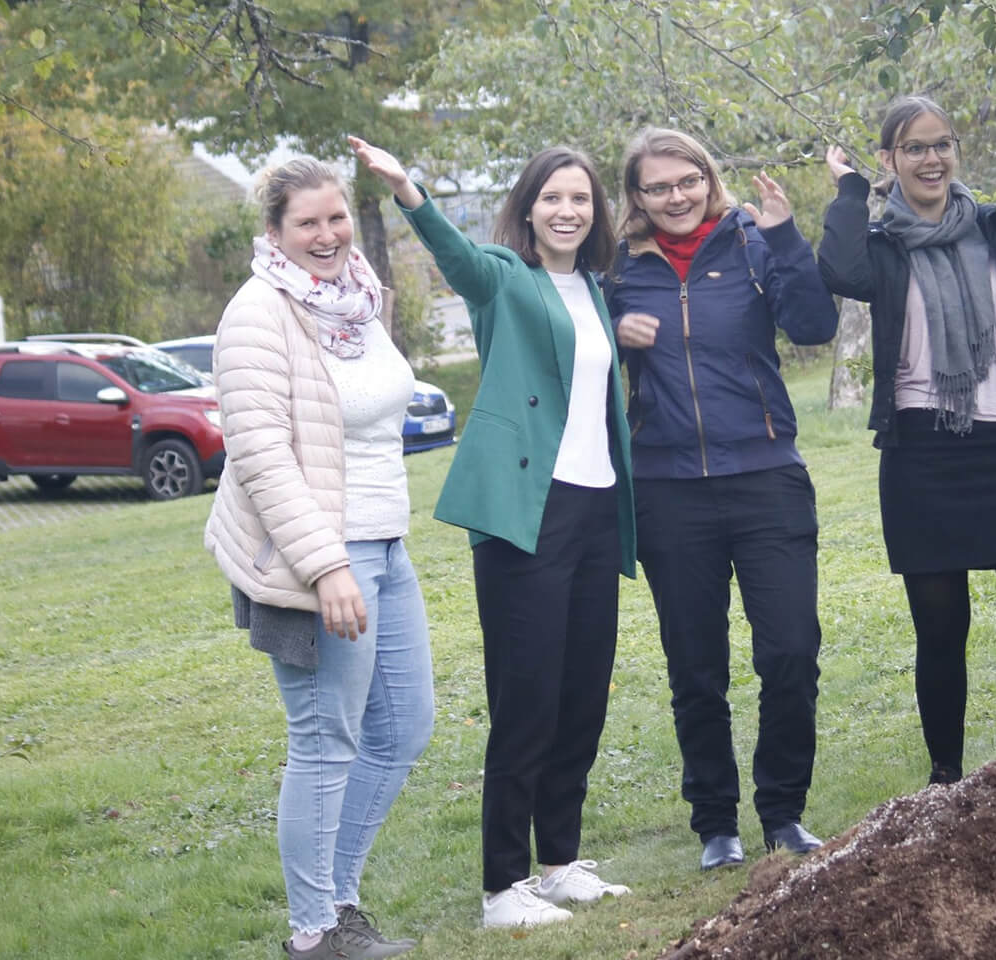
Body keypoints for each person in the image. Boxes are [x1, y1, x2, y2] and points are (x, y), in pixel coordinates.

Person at [348, 135, 638, 929]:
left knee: (582, 696)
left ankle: (559, 863)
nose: (567, 211)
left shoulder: (597, 291)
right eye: (552, 198)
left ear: (595, 211)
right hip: (527, 515)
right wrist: (410, 189)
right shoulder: (506, 280)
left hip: (595, 509)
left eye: (580, 198)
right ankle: (502, 886)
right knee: (528, 699)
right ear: (529, 208)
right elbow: (459, 261)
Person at [816, 95, 996, 786]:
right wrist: (851, 191)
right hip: (922, 454)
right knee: (941, 633)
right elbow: (840, 272)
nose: (932, 158)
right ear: (891, 160)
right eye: (914, 148)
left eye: (942, 143)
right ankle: (946, 777)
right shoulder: (883, 247)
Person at [204, 157, 432, 960]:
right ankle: (315, 932)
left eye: (336, 217)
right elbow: (263, 455)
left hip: (384, 543)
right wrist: (328, 566)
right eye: (308, 223)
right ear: (275, 232)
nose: (328, 235)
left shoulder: (356, 301)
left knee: (404, 727)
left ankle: (338, 903)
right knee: (325, 737)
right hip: (312, 559)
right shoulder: (257, 314)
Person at [601, 128, 840, 871]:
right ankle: (716, 825)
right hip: (670, 491)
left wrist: (787, 236)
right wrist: (615, 335)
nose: (676, 197)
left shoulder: (750, 242)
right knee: (695, 668)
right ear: (636, 197)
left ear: (708, 180)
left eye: (689, 181)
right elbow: (572, 346)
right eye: (658, 187)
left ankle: (783, 812)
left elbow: (814, 324)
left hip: (766, 476)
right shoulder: (619, 268)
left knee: (792, 650)